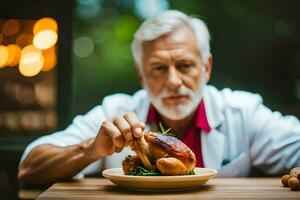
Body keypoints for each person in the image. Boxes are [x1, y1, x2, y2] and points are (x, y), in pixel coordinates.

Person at [18, 10, 300, 186]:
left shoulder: (243, 111)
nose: (174, 81)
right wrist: (91, 149)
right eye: (158, 68)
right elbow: (28, 168)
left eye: (185, 66)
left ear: (207, 67)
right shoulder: (115, 111)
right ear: (141, 76)